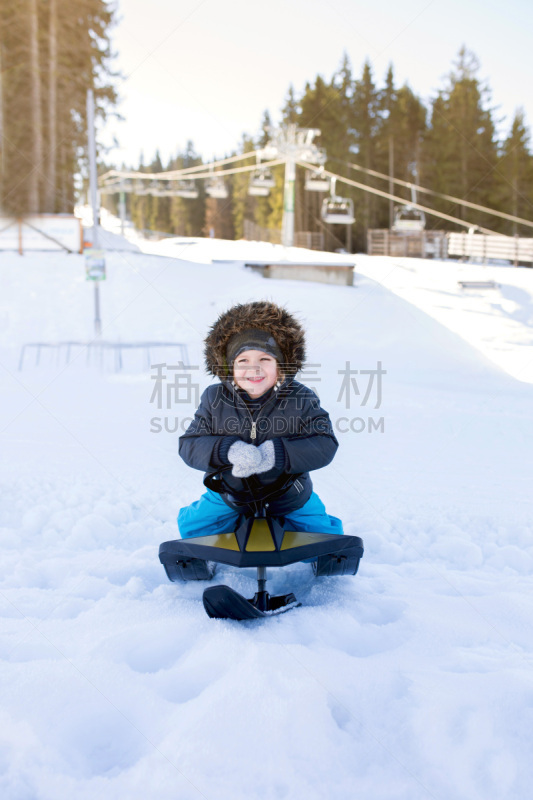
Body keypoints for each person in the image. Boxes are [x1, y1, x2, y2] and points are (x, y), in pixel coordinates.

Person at [177, 300, 343, 538]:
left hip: (287, 491)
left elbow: (324, 442)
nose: (253, 369)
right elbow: (190, 443)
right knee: (194, 528)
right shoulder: (215, 398)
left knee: (321, 533)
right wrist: (227, 451)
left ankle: (325, 550)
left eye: (264, 360)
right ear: (229, 368)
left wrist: (277, 454)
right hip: (230, 490)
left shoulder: (301, 397)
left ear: (281, 366)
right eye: (242, 361)